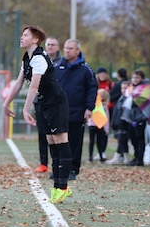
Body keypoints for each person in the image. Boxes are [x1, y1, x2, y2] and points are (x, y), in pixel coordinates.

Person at [3, 25, 73, 204]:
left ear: (35, 40)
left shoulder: (39, 58)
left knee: (61, 142)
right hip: (44, 104)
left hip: (56, 103)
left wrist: (25, 109)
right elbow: (19, 83)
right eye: (22, 35)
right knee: (52, 143)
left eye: (25, 35)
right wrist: (6, 103)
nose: (22, 37)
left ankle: (63, 187)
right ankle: (57, 186)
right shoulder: (27, 58)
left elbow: (34, 86)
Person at [54, 39, 98, 179]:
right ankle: (59, 168)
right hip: (59, 111)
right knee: (59, 142)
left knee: (74, 142)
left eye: (71, 48)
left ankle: (72, 169)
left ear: (78, 51)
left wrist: (89, 108)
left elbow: (92, 90)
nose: (67, 51)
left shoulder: (86, 70)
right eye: (66, 48)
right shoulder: (57, 67)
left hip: (77, 112)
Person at [34, 36, 63, 174]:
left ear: (58, 47)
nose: (50, 47)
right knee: (43, 133)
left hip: (55, 103)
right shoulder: (39, 60)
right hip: (40, 101)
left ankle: (57, 163)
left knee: (56, 134)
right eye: (48, 44)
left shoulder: (62, 63)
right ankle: (43, 163)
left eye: (53, 44)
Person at [123, 69, 150, 166]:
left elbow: (145, 101)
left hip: (140, 116)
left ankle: (140, 158)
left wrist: (134, 100)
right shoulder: (130, 88)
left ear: (142, 78)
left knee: (139, 138)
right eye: (134, 77)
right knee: (133, 138)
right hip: (131, 116)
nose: (135, 79)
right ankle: (135, 157)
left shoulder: (145, 88)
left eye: (137, 78)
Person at [107, 80, 131, 165]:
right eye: (122, 88)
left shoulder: (128, 99)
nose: (123, 90)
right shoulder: (120, 99)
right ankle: (126, 157)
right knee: (123, 141)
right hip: (119, 122)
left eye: (125, 88)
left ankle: (117, 157)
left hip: (125, 123)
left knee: (121, 139)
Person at [87, 89, 110, 163]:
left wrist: (106, 129)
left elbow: (106, 118)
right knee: (91, 142)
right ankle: (90, 157)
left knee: (100, 142)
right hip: (92, 125)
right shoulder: (93, 104)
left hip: (100, 125)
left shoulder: (104, 106)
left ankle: (101, 156)